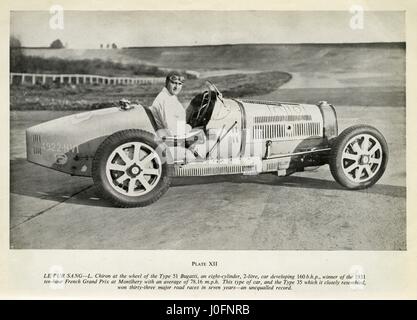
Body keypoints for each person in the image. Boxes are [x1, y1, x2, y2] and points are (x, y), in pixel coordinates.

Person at [149, 71, 192, 137]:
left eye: (180, 84)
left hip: (176, 136)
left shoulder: (170, 96)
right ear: (166, 83)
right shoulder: (164, 100)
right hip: (168, 140)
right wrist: (189, 127)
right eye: (174, 83)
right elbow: (171, 131)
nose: (177, 87)